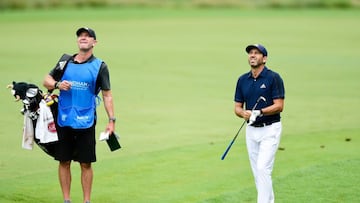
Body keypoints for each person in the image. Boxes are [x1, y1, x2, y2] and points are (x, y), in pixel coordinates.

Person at [43, 27, 116, 203]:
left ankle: (86, 201)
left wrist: (112, 120)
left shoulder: (100, 66)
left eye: (88, 36)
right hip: (64, 119)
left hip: (86, 120)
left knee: (86, 163)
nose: (83, 38)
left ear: (94, 42)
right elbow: (46, 80)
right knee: (64, 161)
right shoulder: (65, 61)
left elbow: (107, 95)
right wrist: (58, 85)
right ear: (77, 41)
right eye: (80, 36)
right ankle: (66, 200)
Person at [234, 44, 285, 203]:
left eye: (257, 53)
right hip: (251, 130)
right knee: (258, 172)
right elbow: (237, 107)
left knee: (263, 169)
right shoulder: (242, 80)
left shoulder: (273, 78)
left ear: (265, 58)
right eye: (250, 53)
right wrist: (244, 113)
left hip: (270, 129)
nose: (252, 55)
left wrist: (259, 112)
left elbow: (279, 106)